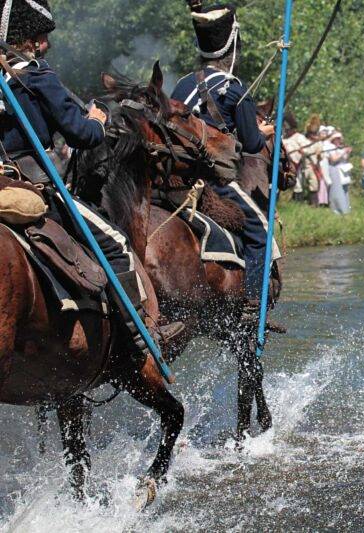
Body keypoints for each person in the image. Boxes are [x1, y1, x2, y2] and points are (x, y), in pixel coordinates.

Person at [0, 0, 183, 358]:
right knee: (115, 243)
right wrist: (97, 120)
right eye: (42, 38)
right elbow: (80, 135)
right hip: (34, 184)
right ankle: (140, 336)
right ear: (30, 41)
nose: (47, 46)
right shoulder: (37, 75)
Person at [172, 2, 281, 310]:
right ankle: (253, 301)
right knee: (261, 230)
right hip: (213, 180)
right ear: (232, 48)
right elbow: (249, 144)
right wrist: (265, 134)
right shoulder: (234, 88)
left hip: (177, 177)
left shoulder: (181, 84)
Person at [327, 131, 352, 215]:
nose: (339, 140)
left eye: (339, 139)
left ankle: (346, 209)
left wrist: (347, 152)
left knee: (344, 190)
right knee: (336, 190)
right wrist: (343, 152)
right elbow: (333, 159)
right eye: (337, 138)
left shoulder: (340, 148)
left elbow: (344, 159)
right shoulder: (330, 147)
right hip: (334, 169)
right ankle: (337, 209)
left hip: (342, 170)